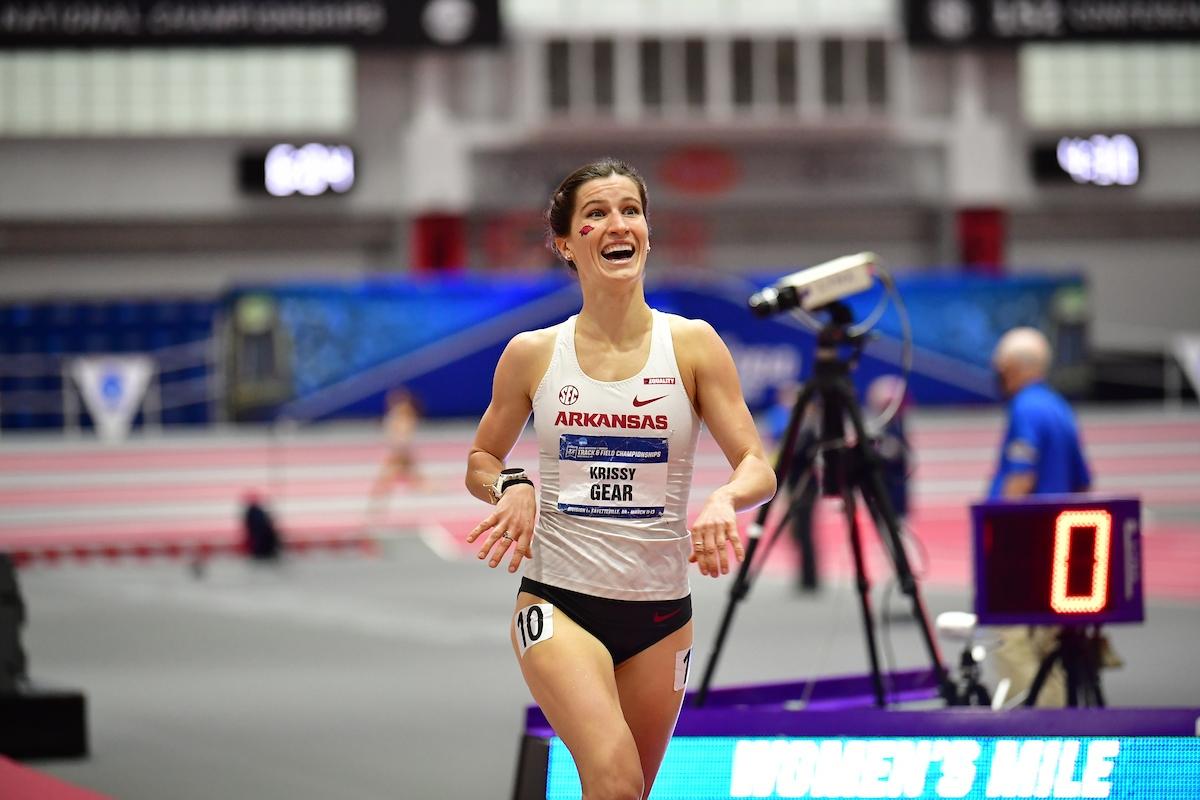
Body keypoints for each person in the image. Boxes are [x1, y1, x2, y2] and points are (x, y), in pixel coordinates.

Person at [465, 159, 776, 800]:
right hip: (559, 602)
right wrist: (514, 484)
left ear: (647, 232)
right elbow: (481, 462)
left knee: (628, 792)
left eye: (630, 210)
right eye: (597, 214)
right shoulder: (532, 353)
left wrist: (724, 498)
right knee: (611, 777)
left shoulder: (692, 345)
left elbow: (758, 467)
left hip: (662, 614)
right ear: (566, 243)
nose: (618, 224)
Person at [987, 327, 1092, 707]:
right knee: (1052, 647)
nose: (997, 375)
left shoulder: (1026, 408)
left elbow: (1021, 473)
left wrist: (999, 544)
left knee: (1012, 643)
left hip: (1027, 550)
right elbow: (1083, 483)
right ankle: (1062, 721)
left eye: (1000, 367)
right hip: (1061, 552)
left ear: (1015, 367)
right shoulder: (1059, 407)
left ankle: (1034, 731)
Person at [766, 381, 822, 592]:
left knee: (804, 531)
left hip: (805, 486)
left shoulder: (809, 428)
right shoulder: (799, 426)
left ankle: (810, 577)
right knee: (799, 531)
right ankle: (806, 575)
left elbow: (795, 455)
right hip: (797, 484)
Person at [367, 387, 425, 525]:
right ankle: (376, 507)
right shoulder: (396, 415)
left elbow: (402, 438)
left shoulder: (404, 417)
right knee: (411, 480)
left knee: (386, 480)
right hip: (399, 452)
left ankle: (376, 508)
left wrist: (399, 452)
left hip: (399, 453)